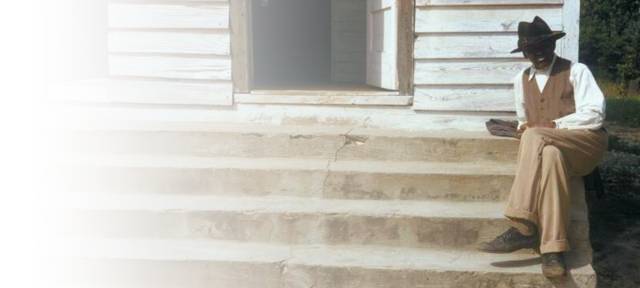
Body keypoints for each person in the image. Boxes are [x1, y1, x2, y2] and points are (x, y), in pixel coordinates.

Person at [477, 16, 608, 278]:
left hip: (586, 143)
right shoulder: (520, 80)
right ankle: (553, 251)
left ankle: (523, 223)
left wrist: (553, 125)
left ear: (552, 46)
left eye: (542, 48)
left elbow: (595, 115)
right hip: (552, 148)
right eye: (530, 50)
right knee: (549, 156)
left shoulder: (576, 71)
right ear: (524, 53)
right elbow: (526, 121)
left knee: (537, 136)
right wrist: (527, 128)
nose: (537, 55)